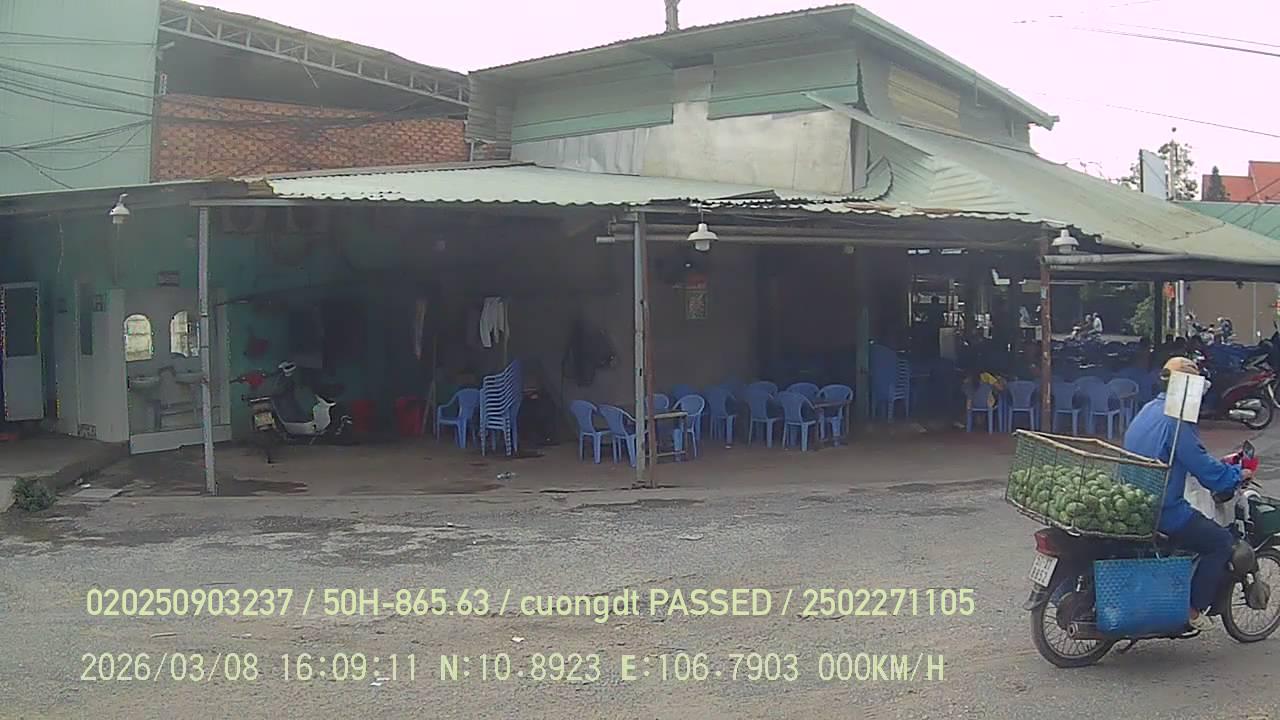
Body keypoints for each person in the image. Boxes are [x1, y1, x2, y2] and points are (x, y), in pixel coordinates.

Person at [1123, 356, 1250, 631]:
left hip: (1133, 499)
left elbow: (1179, 455)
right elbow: (1204, 468)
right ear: (1187, 388)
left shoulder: (1149, 409)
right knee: (1220, 542)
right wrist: (1235, 475)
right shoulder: (1177, 421)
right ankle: (1192, 610)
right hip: (1163, 510)